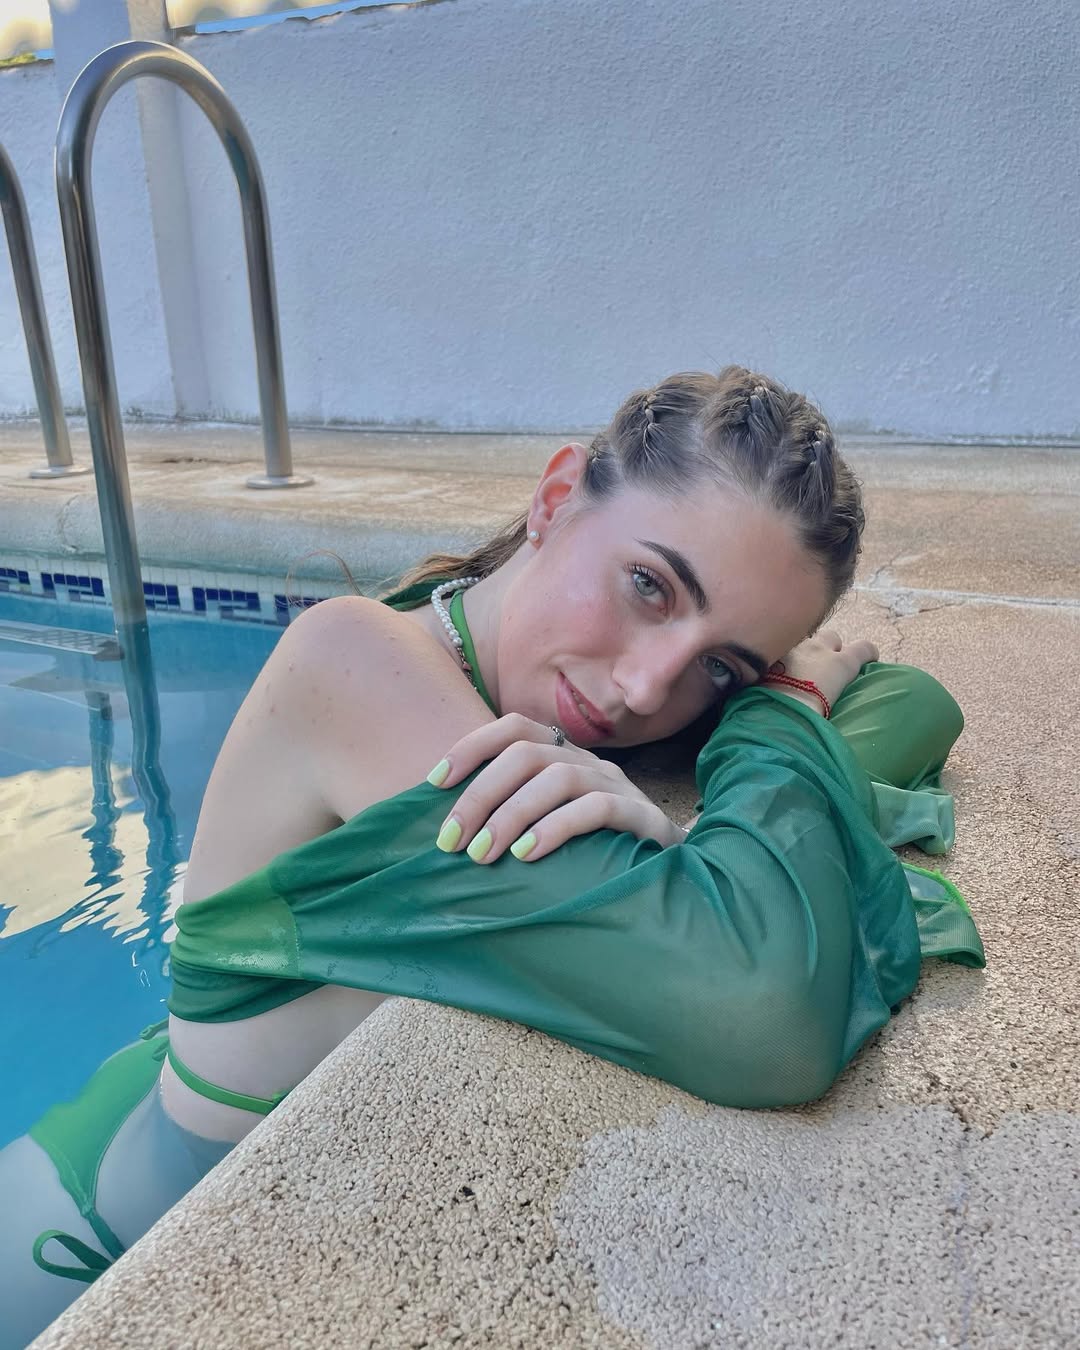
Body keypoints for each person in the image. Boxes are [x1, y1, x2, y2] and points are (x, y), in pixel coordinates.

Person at [0, 367, 983, 1343]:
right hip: (92, 1230)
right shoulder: (354, 659)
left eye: (721, 665)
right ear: (555, 499)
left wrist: (763, 700)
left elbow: (917, 703)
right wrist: (783, 707)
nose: (648, 689)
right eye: (649, 586)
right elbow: (762, 1009)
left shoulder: (559, 697)